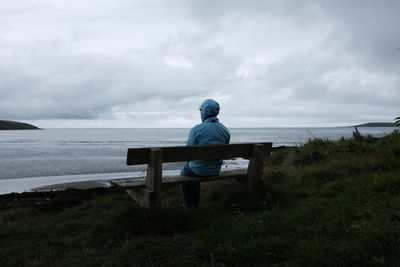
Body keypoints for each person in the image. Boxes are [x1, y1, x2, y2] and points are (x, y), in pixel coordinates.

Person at [180, 99, 230, 208]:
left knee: (185, 173)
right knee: (193, 170)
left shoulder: (197, 129)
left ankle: (189, 205)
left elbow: (189, 152)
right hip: (215, 170)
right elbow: (225, 150)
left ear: (204, 112)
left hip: (198, 170)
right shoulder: (225, 130)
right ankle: (194, 204)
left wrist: (191, 162)